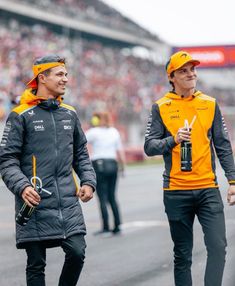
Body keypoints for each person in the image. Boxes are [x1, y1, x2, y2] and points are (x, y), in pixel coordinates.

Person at [0, 55, 96, 286]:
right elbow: (7, 159)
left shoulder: (70, 113)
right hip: (33, 202)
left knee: (77, 252)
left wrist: (88, 181)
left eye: (66, 74)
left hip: (68, 201)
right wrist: (22, 187)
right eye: (60, 74)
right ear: (42, 78)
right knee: (36, 265)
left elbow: (81, 154)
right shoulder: (20, 114)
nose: (66, 79)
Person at [144, 50, 235, 286]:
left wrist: (233, 181)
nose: (190, 74)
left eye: (192, 69)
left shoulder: (210, 103)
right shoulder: (160, 106)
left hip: (208, 189)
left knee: (218, 247)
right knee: (182, 254)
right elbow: (149, 146)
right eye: (183, 71)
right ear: (171, 77)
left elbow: (223, 146)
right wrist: (172, 140)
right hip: (176, 191)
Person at [85, 111, 125, 235]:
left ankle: (106, 227)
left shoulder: (93, 132)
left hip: (99, 164)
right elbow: (120, 151)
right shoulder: (114, 131)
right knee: (112, 197)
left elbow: (79, 142)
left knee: (102, 197)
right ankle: (118, 225)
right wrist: (123, 167)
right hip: (113, 164)